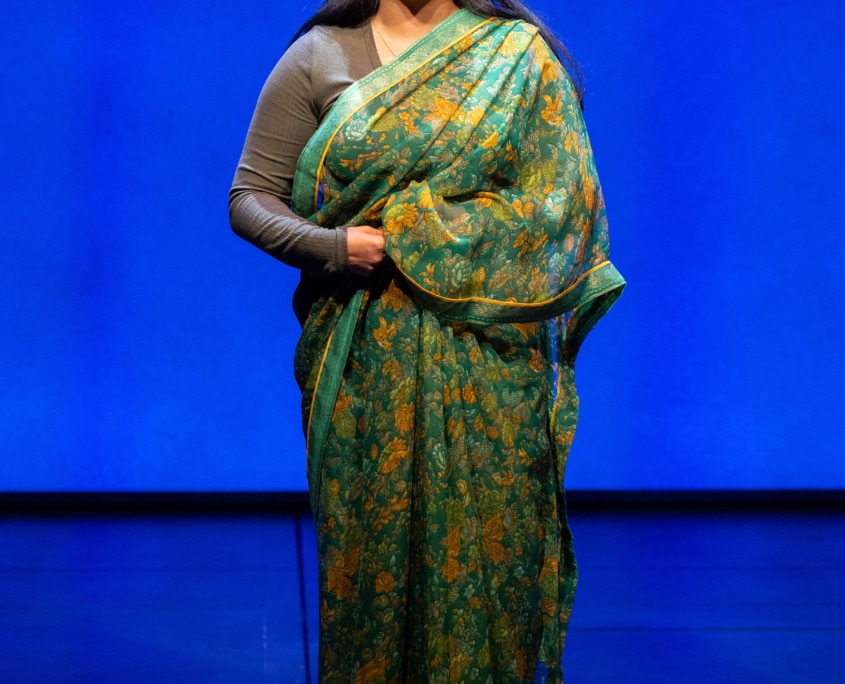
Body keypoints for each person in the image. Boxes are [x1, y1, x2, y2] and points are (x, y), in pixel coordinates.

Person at [229, 0, 625, 680]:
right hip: (362, 355)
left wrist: (417, 227)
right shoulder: (320, 54)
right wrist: (330, 246)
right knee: (373, 556)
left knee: (492, 557)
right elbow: (250, 197)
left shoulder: (516, 56)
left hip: (492, 364)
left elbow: (563, 207)